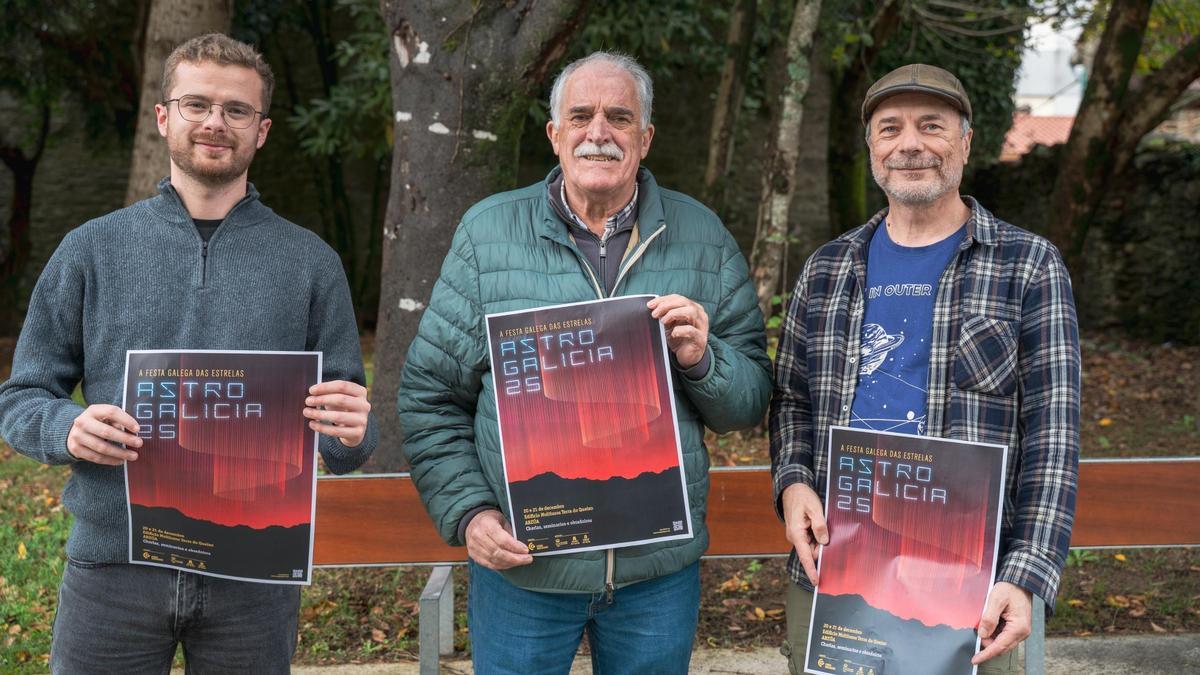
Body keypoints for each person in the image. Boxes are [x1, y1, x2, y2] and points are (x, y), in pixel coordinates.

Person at [0, 33, 377, 674]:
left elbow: (341, 437)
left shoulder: (311, 263)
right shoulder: (92, 249)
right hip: (113, 568)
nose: (214, 123)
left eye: (236, 110)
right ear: (164, 116)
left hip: (255, 573)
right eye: (197, 103)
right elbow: (21, 396)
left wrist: (350, 431)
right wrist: (69, 426)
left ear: (261, 131)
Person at [398, 51, 772, 673]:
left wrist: (705, 359)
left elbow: (750, 403)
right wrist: (469, 511)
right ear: (554, 134)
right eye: (581, 116)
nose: (598, 131)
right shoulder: (486, 234)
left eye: (619, 117)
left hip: (655, 574)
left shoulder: (702, 236)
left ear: (645, 138)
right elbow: (430, 396)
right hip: (525, 572)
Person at [769, 63, 1080, 674]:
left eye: (931, 126)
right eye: (890, 129)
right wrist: (794, 481)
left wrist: (1028, 574)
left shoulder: (1029, 267)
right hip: (839, 576)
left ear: (965, 142)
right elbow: (793, 400)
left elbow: (1053, 435)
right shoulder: (827, 269)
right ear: (872, 149)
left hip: (971, 590)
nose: (909, 143)